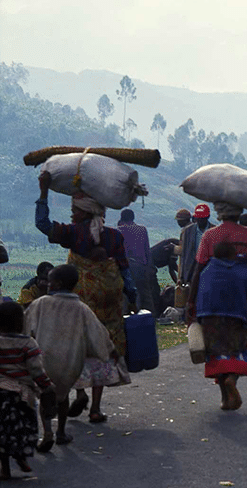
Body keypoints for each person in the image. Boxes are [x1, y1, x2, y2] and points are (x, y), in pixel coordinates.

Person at [35, 172, 133, 425]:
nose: (71, 215)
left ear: (84, 212)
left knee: (77, 345)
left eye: (74, 211)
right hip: (109, 302)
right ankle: (96, 409)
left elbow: (43, 224)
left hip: (80, 299)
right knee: (102, 348)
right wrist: (131, 296)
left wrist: (44, 192)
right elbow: (124, 269)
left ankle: (79, 393)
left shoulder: (74, 233)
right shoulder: (115, 236)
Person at [24, 264, 115, 452]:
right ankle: (61, 432)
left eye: (49, 281)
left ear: (56, 283)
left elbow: (25, 327)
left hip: (44, 359)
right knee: (63, 397)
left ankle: (47, 433)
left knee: (46, 395)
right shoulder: (81, 308)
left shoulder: (41, 304)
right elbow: (98, 333)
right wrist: (109, 351)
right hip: (70, 362)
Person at [188, 239, 247, 410]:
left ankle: (224, 398)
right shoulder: (244, 272)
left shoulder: (206, 271)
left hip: (209, 319)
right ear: (232, 255)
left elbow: (200, 294)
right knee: (239, 351)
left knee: (216, 356)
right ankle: (233, 378)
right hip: (235, 319)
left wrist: (195, 315)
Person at [0, 301, 55, 479]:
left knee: (3, 432)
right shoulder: (28, 343)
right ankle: (21, 457)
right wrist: (46, 386)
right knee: (23, 429)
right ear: (21, 322)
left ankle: (5, 469)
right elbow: (36, 370)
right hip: (22, 395)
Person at [117, 208, 155, 313]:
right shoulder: (142, 230)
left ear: (122, 218)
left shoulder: (119, 231)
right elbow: (147, 250)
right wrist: (149, 266)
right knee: (145, 294)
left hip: (126, 267)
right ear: (133, 218)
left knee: (127, 294)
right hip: (141, 266)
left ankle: (130, 317)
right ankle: (150, 317)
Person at [177, 204, 214, 309]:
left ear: (207, 217)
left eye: (202, 218)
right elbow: (184, 254)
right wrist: (182, 276)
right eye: (199, 218)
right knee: (193, 293)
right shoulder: (188, 231)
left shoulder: (214, 230)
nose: (200, 221)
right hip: (193, 267)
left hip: (209, 266)